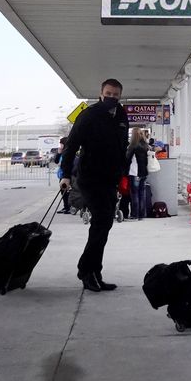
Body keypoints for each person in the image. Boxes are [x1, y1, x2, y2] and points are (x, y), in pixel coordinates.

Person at [60, 78, 128, 291]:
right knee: (100, 223)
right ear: (101, 93)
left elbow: (121, 146)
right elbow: (71, 146)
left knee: (104, 225)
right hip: (90, 179)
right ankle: (86, 270)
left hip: (110, 180)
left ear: (120, 96)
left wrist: (121, 175)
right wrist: (65, 175)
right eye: (108, 93)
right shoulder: (89, 115)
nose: (112, 98)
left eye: (115, 95)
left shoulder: (122, 115)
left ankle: (95, 271)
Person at [125, 126, 150, 221]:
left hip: (135, 172)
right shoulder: (145, 145)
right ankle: (141, 214)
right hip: (144, 172)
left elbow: (127, 159)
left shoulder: (132, 146)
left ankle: (135, 214)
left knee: (134, 194)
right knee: (141, 193)